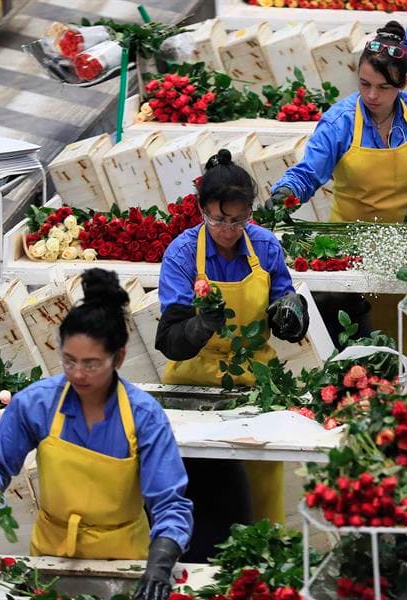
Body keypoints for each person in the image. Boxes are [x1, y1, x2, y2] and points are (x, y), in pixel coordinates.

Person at [0, 269, 192, 600]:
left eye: (91, 364)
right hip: (52, 559)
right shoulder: (38, 404)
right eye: (69, 361)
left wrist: (160, 562)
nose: (78, 374)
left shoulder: (143, 416)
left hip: (126, 563)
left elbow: (170, 502)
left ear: (119, 357)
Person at [267, 21, 407, 346]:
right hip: (348, 249)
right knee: (353, 345)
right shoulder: (340, 121)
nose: (372, 95)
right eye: (364, 84)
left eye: (383, 87)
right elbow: (307, 173)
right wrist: (284, 195)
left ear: (402, 83)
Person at [155, 149, 309, 561]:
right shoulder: (182, 254)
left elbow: (283, 299)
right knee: (202, 496)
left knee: (261, 497)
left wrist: (291, 315)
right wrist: (199, 324)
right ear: (202, 209)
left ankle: (265, 575)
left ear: (250, 213)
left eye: (238, 220)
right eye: (219, 220)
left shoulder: (265, 247)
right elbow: (169, 339)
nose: (228, 229)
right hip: (193, 387)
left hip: (256, 388)